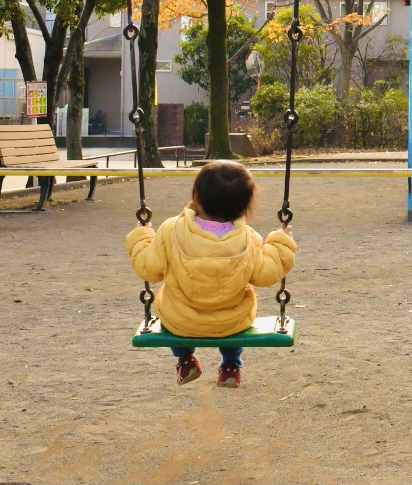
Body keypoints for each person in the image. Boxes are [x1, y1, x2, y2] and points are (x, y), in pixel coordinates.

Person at [126, 160, 297, 387]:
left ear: (195, 196)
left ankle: (185, 359)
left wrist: (143, 237)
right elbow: (265, 274)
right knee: (232, 321)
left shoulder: (170, 230)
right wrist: (281, 242)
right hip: (232, 321)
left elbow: (149, 268)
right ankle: (230, 366)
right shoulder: (249, 239)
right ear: (244, 206)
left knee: (171, 315)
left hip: (181, 320)